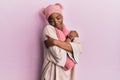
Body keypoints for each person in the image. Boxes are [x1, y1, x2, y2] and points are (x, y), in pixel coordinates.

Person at [41, 3, 82, 80]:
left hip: (68, 73)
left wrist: (55, 42)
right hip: (53, 72)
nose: (56, 22)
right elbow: (58, 55)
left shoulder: (70, 33)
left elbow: (79, 49)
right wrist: (70, 41)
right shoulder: (48, 29)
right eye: (51, 20)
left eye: (58, 18)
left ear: (62, 16)